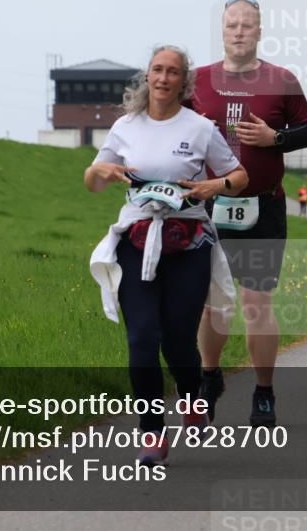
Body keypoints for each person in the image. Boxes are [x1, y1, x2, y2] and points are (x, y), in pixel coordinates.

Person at [87, 46, 249, 466]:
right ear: (147, 77)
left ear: (183, 81)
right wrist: (100, 172)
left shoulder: (199, 128)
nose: (162, 78)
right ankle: (153, 435)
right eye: (157, 70)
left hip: (188, 243)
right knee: (142, 340)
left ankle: (192, 398)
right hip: (136, 241)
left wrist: (217, 187)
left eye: (172, 72)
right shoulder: (125, 126)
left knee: (178, 341)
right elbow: (93, 180)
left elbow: (239, 175)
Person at [192, 0, 307, 427]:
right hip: (211, 205)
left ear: (260, 31)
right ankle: (209, 380)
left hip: (262, 205)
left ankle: (264, 392)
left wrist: (274, 139)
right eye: (232, 25)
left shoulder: (281, 79)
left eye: (247, 25)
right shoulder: (199, 81)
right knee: (213, 304)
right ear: (222, 30)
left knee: (256, 302)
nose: (239, 32)